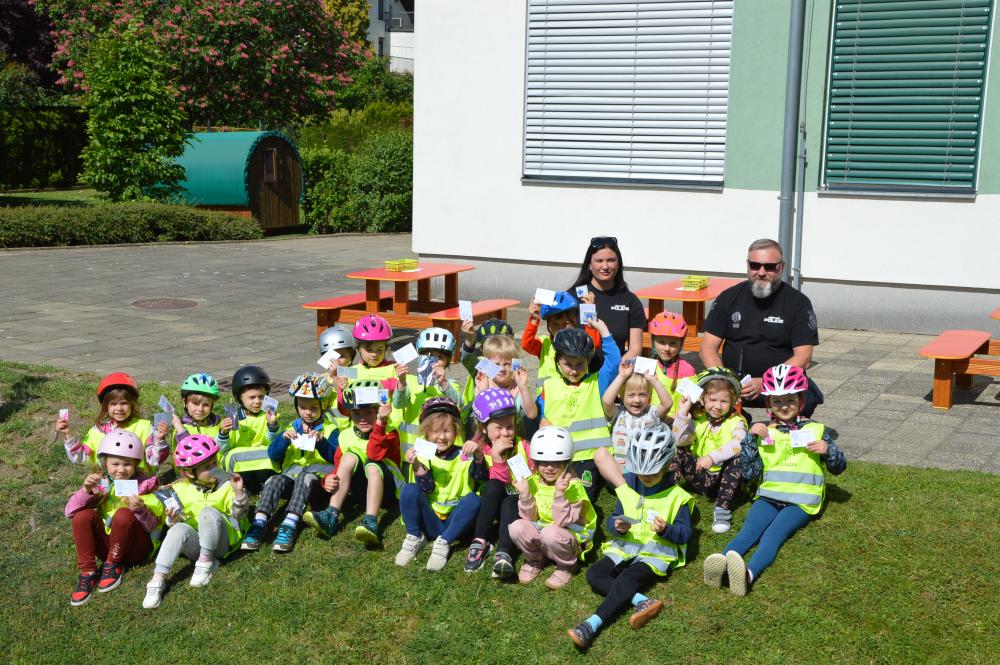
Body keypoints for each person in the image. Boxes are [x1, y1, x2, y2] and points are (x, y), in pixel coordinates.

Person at [702, 364, 846, 596]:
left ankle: (748, 575)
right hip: (769, 496)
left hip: (800, 502)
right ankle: (721, 564)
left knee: (772, 535)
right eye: (777, 401)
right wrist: (750, 440)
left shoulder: (817, 430)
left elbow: (839, 467)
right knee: (748, 531)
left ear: (800, 401)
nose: (784, 406)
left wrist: (828, 450)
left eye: (790, 400)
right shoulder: (765, 432)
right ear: (769, 404)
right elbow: (750, 472)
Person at [567, 428, 693, 650]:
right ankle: (642, 601)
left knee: (627, 578)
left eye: (653, 474)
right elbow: (614, 518)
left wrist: (666, 530)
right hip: (625, 548)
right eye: (642, 474)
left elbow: (685, 534)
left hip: (654, 554)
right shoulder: (628, 486)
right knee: (594, 574)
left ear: (666, 466)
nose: (646, 478)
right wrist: (617, 526)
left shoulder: (678, 496)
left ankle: (591, 624)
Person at [701, 238, 821, 416]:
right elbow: (707, 349)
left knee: (808, 399)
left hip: (780, 384)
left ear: (781, 267)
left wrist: (766, 381)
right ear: (748, 266)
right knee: (695, 396)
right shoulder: (728, 298)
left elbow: (803, 357)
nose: (761, 272)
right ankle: (738, 418)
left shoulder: (798, 303)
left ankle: (786, 429)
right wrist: (725, 382)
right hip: (734, 385)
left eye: (770, 267)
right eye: (755, 266)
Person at [142, 435, 248, 609]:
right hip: (197, 545)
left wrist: (239, 493)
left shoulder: (227, 484)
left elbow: (240, 514)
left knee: (208, 512)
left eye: (214, 462)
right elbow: (179, 522)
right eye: (207, 467)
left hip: (223, 544)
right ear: (191, 473)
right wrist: (172, 520)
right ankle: (157, 579)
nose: (214, 469)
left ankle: (207, 563)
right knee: (178, 529)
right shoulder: (179, 489)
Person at [241, 372, 340, 553]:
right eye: (302, 407)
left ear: (324, 405)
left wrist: (321, 443)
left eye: (313, 408)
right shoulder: (293, 427)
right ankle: (259, 523)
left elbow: (335, 457)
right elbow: (273, 454)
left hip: (318, 484)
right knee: (274, 480)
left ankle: (289, 524)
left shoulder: (331, 429)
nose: (307, 412)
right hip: (292, 481)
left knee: (305, 477)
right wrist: (283, 440)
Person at [65, 430, 164, 606]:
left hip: (136, 549)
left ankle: (113, 565)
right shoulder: (101, 484)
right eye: (115, 464)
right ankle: (87, 572)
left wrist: (141, 510)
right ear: (105, 463)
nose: (121, 470)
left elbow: (152, 526)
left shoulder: (145, 485)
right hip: (110, 545)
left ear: (136, 464)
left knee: (123, 513)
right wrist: (86, 490)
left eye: (127, 464)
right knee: (82, 516)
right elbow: (69, 512)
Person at [304, 379, 402, 544]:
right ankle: (331, 515)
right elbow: (338, 465)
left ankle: (371, 521)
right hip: (361, 492)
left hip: (388, 493)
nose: (362, 419)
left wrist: (380, 423)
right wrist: (327, 479)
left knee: (372, 466)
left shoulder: (389, 432)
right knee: (348, 457)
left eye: (368, 412)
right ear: (349, 413)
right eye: (356, 413)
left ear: (378, 410)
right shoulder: (346, 435)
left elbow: (374, 454)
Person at [396, 398, 486, 571]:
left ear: (456, 430)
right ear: (427, 433)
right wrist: (416, 465)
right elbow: (427, 488)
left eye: (447, 431)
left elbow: (480, 476)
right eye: (435, 431)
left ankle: (444, 542)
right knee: (409, 490)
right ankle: (415, 536)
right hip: (431, 519)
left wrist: (478, 455)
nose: (442, 437)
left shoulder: (465, 453)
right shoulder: (422, 453)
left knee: (474, 500)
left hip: (456, 521)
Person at [537, 326, 623, 503]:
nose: (574, 370)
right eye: (568, 364)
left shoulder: (596, 382)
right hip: (558, 457)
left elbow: (614, 361)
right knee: (550, 495)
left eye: (580, 364)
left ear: (588, 361)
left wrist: (604, 331)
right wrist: (542, 421)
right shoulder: (549, 386)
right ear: (557, 361)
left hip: (590, 457)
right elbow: (541, 415)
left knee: (581, 499)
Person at [508, 426, 597, 590]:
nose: (549, 468)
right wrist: (525, 494)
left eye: (556, 463)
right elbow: (529, 518)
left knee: (550, 532)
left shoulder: (574, 486)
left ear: (567, 462)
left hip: (568, 537)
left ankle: (567, 565)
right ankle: (536, 558)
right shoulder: (534, 481)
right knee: (516, 526)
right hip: (546, 534)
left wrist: (560, 494)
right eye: (544, 463)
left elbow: (563, 521)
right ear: (536, 462)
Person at [672, 368, 747, 534]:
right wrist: (683, 413)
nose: (717, 406)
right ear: (702, 399)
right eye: (712, 400)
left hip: (725, 482)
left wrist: (712, 457)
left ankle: (722, 509)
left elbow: (739, 443)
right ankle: (669, 495)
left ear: (733, 402)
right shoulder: (699, 419)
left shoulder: (737, 421)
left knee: (737, 458)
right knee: (678, 450)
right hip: (700, 476)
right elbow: (679, 440)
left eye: (724, 401)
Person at [463, 388, 528, 576]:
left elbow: (522, 482)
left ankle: (504, 552)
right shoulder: (478, 449)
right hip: (488, 507)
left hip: (519, 505)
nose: (506, 433)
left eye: (510, 426)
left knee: (511, 500)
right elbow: (482, 480)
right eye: (498, 428)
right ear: (483, 428)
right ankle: (480, 541)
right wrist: (488, 457)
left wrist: (498, 457)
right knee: (493, 486)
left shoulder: (523, 445)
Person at [58, 372, 162, 474]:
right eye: (113, 404)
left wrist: (160, 440)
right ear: (106, 406)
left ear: (132, 404)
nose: (119, 408)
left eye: (124, 403)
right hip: (106, 483)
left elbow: (155, 459)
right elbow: (81, 457)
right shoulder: (97, 431)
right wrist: (68, 434)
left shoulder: (145, 428)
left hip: (139, 482)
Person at [569, 236, 647, 360]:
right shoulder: (572, 297)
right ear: (589, 265)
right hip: (578, 370)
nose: (605, 266)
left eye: (611, 260)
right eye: (599, 261)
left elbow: (635, 350)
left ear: (618, 263)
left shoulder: (630, 300)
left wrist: (618, 368)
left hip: (616, 370)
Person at [393, 327, 463, 450]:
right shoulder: (410, 381)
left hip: (441, 447)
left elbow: (458, 404)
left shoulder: (450, 384)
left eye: (440, 357)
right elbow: (399, 404)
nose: (433, 361)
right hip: (411, 447)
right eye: (428, 355)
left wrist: (444, 383)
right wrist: (402, 382)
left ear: (447, 361)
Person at [602, 358, 673, 472]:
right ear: (621, 395)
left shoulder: (651, 413)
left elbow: (667, 404)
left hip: (645, 470)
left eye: (642, 395)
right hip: (621, 471)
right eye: (631, 395)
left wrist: (654, 381)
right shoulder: (618, 413)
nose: (637, 400)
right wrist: (621, 377)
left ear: (649, 395)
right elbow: (606, 401)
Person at [218, 365, 279, 493]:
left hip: (263, 466)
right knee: (230, 456)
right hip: (241, 466)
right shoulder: (233, 417)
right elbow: (222, 449)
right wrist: (223, 433)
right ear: (239, 397)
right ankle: (240, 486)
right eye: (252, 397)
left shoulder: (269, 416)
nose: (257, 401)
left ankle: (266, 484)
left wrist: (272, 426)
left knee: (273, 453)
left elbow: (275, 443)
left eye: (261, 397)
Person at [522, 291, 603, 382]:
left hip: (576, 390)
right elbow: (526, 344)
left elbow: (594, 343)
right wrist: (534, 319)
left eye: (565, 324)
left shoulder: (579, 341)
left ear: (574, 321)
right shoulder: (545, 343)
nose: (560, 328)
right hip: (547, 391)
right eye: (555, 324)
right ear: (548, 325)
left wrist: (589, 314)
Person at [646, 312, 697, 419]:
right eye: (661, 342)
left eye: (673, 343)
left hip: (676, 421)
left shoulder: (687, 371)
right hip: (649, 419)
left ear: (681, 344)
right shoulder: (647, 366)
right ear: (653, 342)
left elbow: (691, 403)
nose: (667, 348)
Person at [170, 373, 223, 447]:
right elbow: (190, 450)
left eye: (206, 405)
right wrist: (180, 428)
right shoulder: (180, 428)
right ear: (185, 402)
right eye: (196, 403)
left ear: (212, 405)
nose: (200, 409)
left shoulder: (219, 425)